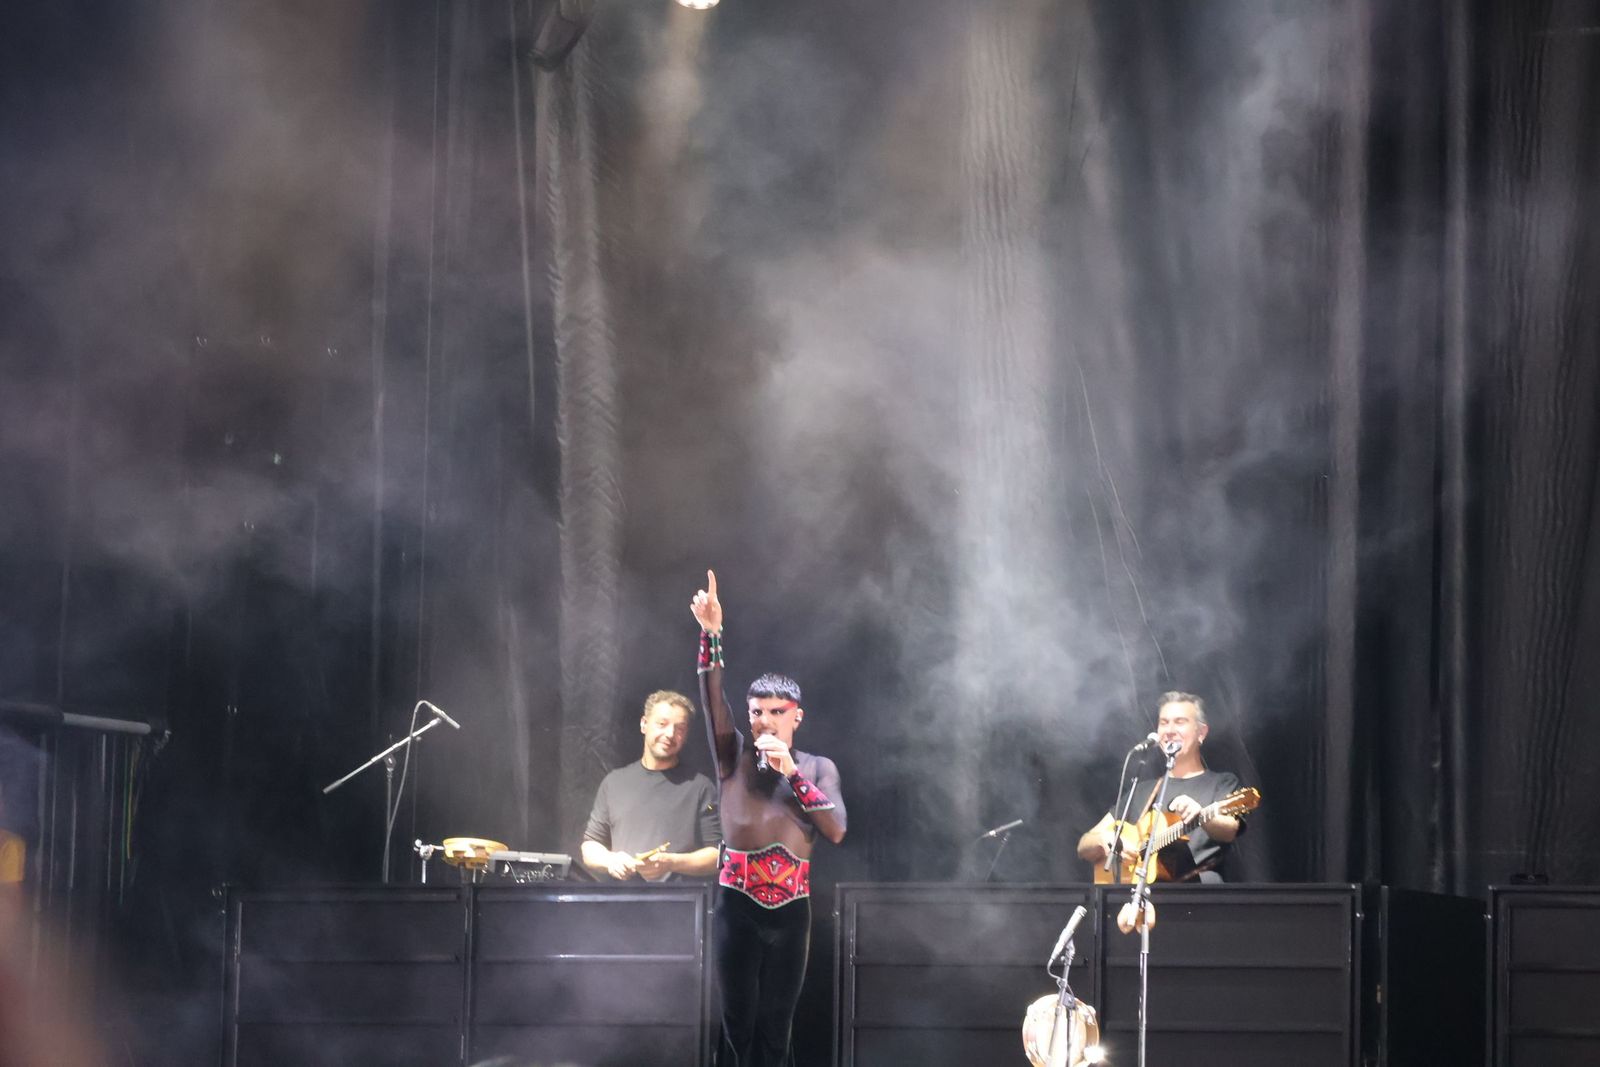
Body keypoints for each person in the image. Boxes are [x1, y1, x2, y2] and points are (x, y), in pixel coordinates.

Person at [690, 570, 846, 1067]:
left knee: (778, 1028)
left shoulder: (818, 768)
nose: (763, 720)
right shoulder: (730, 755)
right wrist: (711, 635)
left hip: (792, 911)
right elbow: (713, 697)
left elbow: (835, 829)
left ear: (795, 716)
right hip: (737, 906)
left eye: (776, 712)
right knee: (738, 1025)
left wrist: (792, 773)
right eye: (757, 711)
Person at [1075, 692, 1247, 932]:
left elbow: (1230, 830)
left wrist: (1201, 815)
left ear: (1201, 733)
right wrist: (1105, 842)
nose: (1169, 730)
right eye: (1164, 722)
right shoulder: (1143, 790)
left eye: (1180, 722)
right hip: (1141, 911)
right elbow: (1084, 844)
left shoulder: (1221, 783)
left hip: (1199, 908)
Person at [580, 690, 722, 882]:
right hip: (619, 904)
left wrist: (671, 862)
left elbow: (717, 856)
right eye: (662, 724)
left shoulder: (700, 787)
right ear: (644, 724)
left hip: (681, 905)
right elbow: (590, 846)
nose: (670, 734)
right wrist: (611, 860)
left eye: (680, 728)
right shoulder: (614, 783)